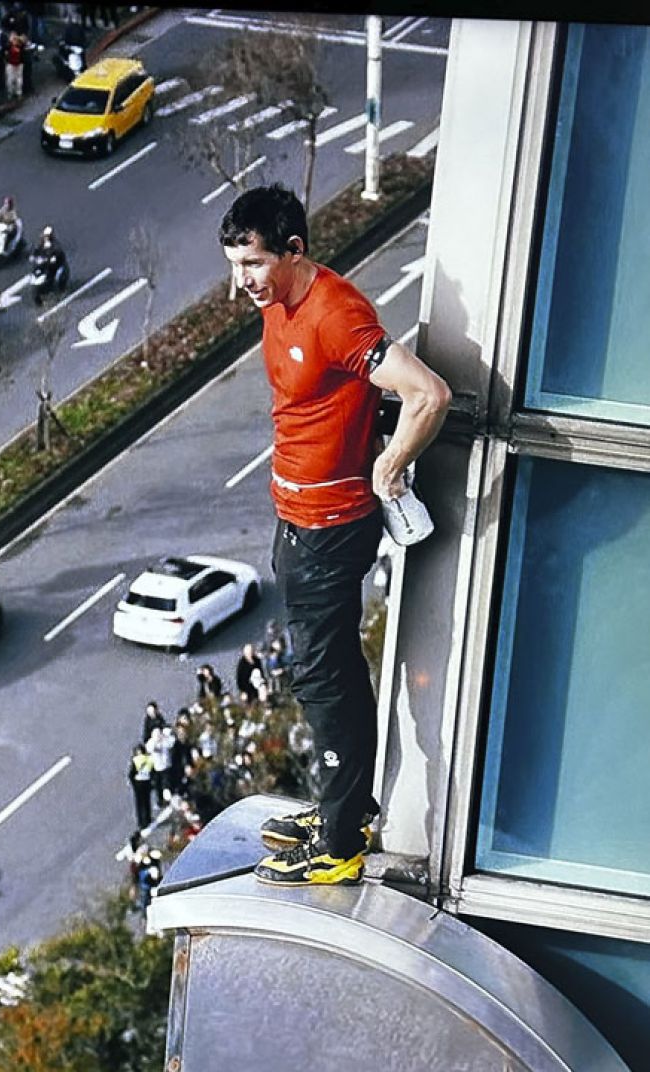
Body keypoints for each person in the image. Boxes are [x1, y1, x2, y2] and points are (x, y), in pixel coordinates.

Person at [218, 184, 452, 888]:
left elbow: (427, 393)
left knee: (325, 680)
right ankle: (339, 807)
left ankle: (342, 836)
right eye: (235, 265)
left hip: (329, 527)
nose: (244, 281)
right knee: (321, 672)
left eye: (254, 264)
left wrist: (389, 464)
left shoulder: (335, 315)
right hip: (296, 520)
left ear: (294, 250)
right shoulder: (281, 303)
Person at [129, 743, 155, 829]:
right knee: (146, 802)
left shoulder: (135, 760)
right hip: (146, 782)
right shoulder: (149, 759)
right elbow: (152, 772)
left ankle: (141, 821)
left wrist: (133, 784)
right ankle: (147, 819)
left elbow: (131, 774)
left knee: (140, 803)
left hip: (138, 783)